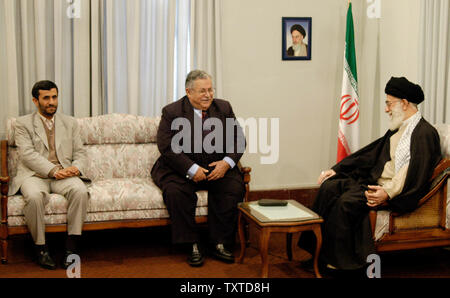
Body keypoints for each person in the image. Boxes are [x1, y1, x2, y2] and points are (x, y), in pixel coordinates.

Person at [298, 76, 442, 272]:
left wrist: (387, 192)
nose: (386, 109)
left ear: (405, 103)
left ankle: (341, 264)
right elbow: (372, 153)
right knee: (329, 187)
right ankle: (317, 252)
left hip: (391, 190)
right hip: (374, 181)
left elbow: (411, 172)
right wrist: (338, 169)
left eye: (389, 104)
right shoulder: (400, 128)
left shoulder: (424, 133)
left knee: (345, 203)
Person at [151, 70, 246, 267]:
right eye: (202, 91)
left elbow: (238, 139)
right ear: (189, 92)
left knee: (233, 187)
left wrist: (226, 163)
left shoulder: (223, 107)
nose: (208, 95)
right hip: (180, 167)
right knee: (176, 192)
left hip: (215, 165)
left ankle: (220, 242)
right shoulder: (172, 112)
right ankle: (191, 244)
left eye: (210, 89)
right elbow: (167, 147)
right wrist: (192, 169)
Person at [9, 80, 88, 270]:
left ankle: (71, 248)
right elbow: (28, 155)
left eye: (54, 97)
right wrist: (54, 171)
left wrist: (76, 168)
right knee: (34, 197)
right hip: (34, 176)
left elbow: (80, 152)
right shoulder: (22, 124)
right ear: (35, 101)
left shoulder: (70, 123)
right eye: (46, 98)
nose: (51, 102)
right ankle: (41, 248)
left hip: (64, 174)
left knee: (80, 191)